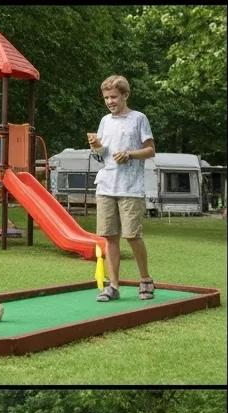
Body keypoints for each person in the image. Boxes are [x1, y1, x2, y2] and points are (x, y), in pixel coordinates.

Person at [87, 75, 156, 302]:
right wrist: (97, 147)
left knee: (132, 236)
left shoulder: (139, 119)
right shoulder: (105, 121)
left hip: (130, 188)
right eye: (106, 97)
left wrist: (129, 154)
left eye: (114, 97)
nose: (110, 101)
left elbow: (150, 150)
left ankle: (145, 279)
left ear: (125, 95)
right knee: (110, 237)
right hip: (106, 185)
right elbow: (102, 154)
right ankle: (113, 286)